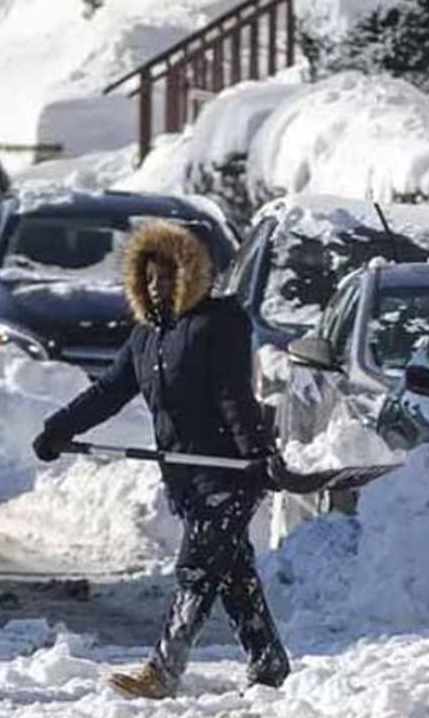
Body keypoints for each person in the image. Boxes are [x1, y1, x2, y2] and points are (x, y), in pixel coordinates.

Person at [31, 220, 291, 699]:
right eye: (150, 279)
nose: (158, 288)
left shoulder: (220, 322)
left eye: (169, 277)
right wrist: (59, 428)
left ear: (194, 273)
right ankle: (268, 660)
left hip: (229, 471)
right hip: (186, 476)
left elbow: (233, 395)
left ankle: (163, 670)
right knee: (232, 573)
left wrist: (257, 453)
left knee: (196, 568)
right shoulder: (146, 338)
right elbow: (109, 391)